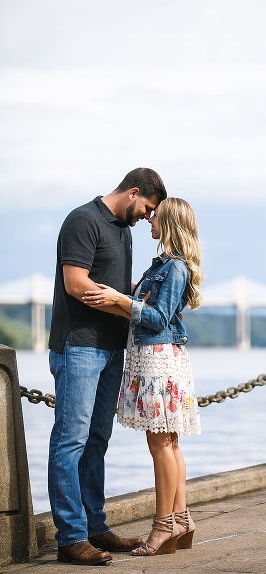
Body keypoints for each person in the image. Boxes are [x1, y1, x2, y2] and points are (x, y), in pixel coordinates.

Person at [48, 168, 166, 565]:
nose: (147, 217)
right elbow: (76, 284)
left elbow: (114, 288)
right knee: (71, 440)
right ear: (134, 192)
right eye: (147, 209)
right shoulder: (83, 220)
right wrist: (122, 300)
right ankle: (70, 537)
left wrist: (140, 296)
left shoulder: (124, 230)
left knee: (97, 440)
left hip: (113, 348)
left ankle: (95, 527)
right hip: (79, 346)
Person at [82, 197, 203, 556]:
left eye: (156, 217)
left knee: (161, 444)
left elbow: (157, 318)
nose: (150, 220)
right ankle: (181, 519)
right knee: (168, 443)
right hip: (153, 358)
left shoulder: (175, 268)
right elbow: (147, 310)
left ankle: (163, 526)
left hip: (159, 361)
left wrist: (120, 298)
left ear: (170, 224)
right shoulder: (163, 265)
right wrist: (126, 299)